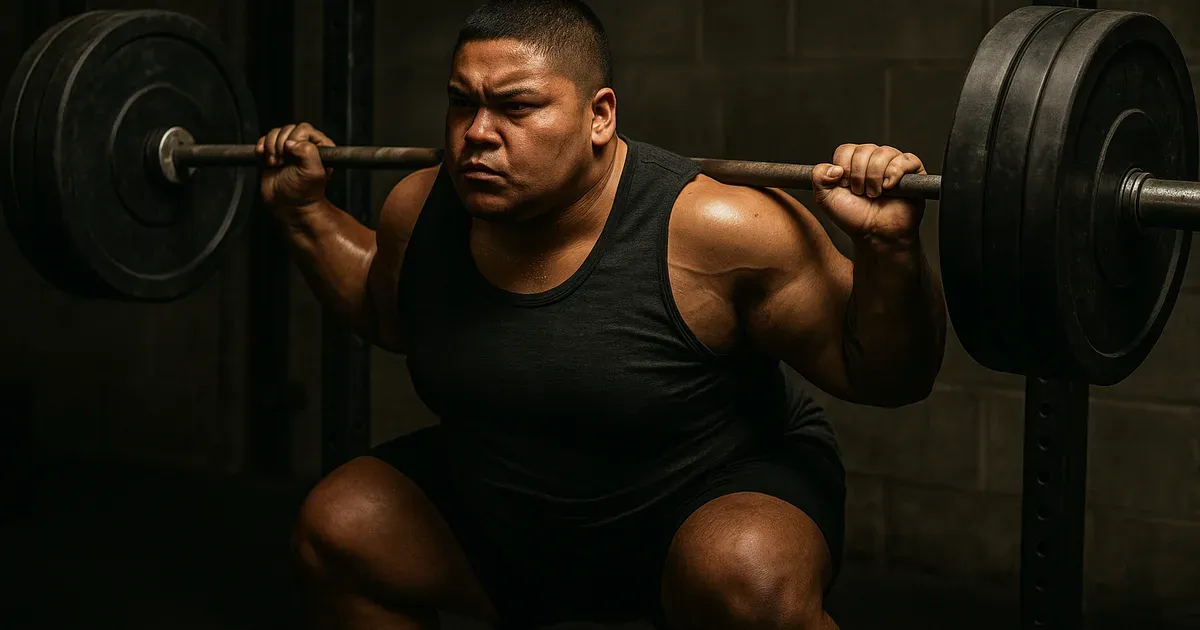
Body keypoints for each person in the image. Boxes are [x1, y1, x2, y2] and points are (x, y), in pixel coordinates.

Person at [259, 1, 946, 628]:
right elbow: (387, 316)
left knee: (748, 577)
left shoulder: (721, 228)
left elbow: (886, 377)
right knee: (340, 529)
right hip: (514, 495)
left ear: (600, 116)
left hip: (701, 497)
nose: (476, 134)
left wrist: (889, 249)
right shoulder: (419, 209)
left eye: (516, 108)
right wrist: (304, 215)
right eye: (461, 103)